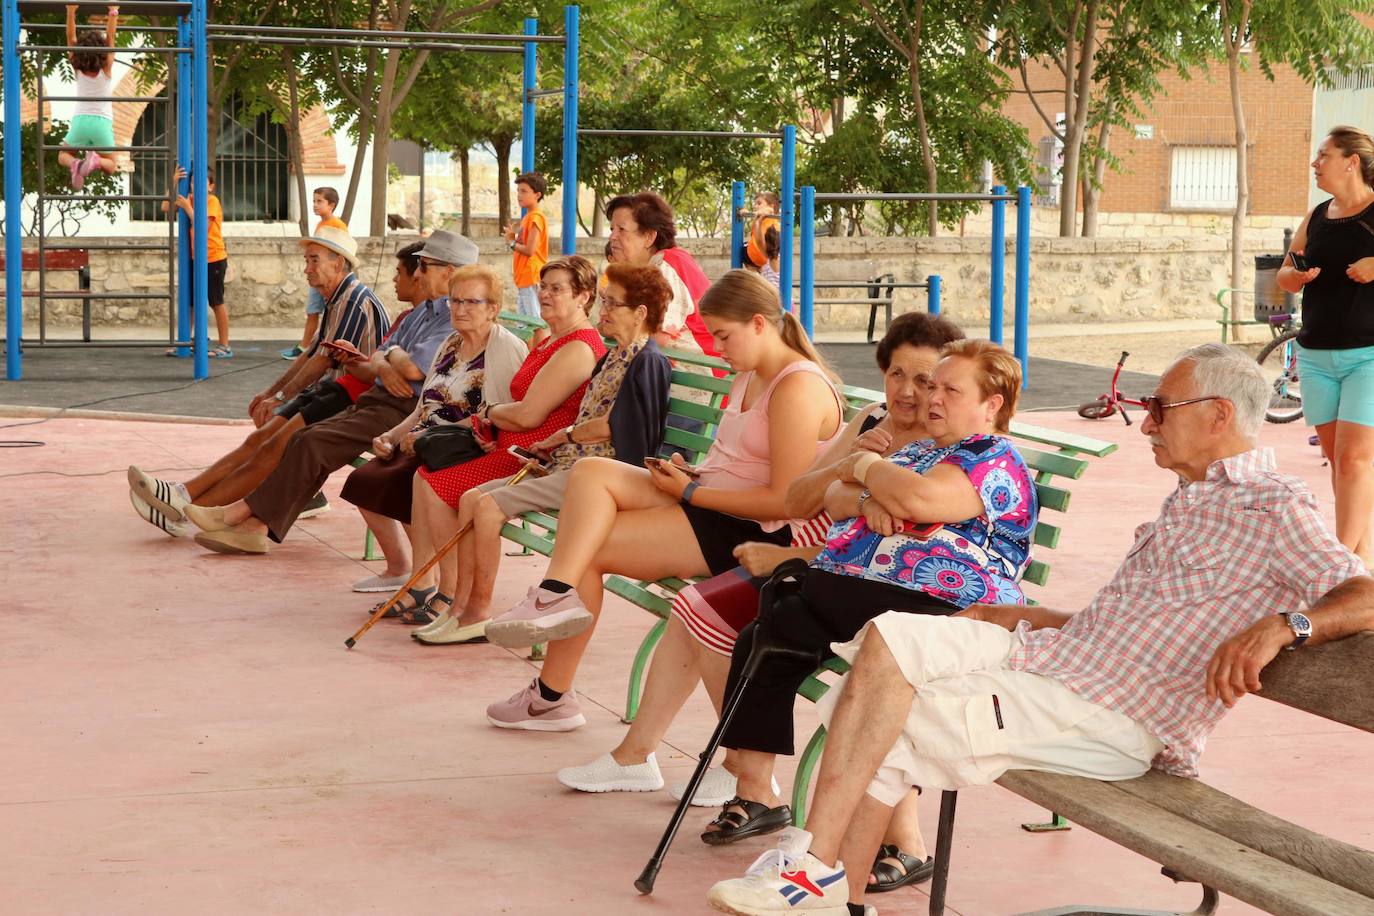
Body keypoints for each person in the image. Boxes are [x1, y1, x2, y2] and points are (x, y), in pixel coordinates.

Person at [705, 343, 1374, 916]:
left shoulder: (1274, 506)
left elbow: (1366, 591)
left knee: (894, 715)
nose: (1147, 424)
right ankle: (820, 876)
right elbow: (1153, 621)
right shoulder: (1194, 497)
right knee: (889, 638)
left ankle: (820, 879)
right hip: (1059, 658)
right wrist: (1042, 616)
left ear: (1219, 415)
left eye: (1160, 408)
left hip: (1115, 712)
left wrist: (1286, 626)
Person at [555, 312, 964, 892]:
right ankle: (736, 779)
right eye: (896, 374)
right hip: (829, 568)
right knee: (720, 618)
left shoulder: (942, 448)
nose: (907, 392)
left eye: (925, 381)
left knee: (742, 622)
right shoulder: (873, 421)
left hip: (878, 587)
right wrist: (850, 465)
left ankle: (861, 823)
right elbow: (800, 497)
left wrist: (834, 509)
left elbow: (899, 539)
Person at [700, 339, 1037, 851]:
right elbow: (832, 499)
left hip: (938, 610)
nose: (933, 398)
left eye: (950, 390)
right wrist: (865, 495)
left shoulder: (993, 457)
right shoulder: (922, 450)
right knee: (768, 634)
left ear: (991, 405)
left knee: (867, 670)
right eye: (933, 386)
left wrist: (863, 469)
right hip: (858, 594)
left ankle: (902, 843)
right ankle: (756, 795)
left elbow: (920, 499)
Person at [481, 269, 845, 732]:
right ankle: (554, 601)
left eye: (722, 336)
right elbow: (738, 463)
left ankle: (550, 692)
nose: (717, 347)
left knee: (586, 549)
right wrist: (690, 475)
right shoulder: (752, 372)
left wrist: (691, 491)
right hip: (712, 503)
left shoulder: (797, 387)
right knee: (590, 473)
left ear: (758, 324)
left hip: (751, 529)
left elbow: (786, 502)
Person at [408, 263, 674, 646]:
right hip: (569, 463)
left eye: (612, 303)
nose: (603, 310)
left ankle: (478, 612)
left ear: (640, 313)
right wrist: (554, 446)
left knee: (486, 507)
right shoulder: (615, 356)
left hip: (598, 476)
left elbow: (614, 426)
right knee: (471, 499)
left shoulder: (645, 360)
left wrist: (562, 436)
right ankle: (459, 608)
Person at [180, 231, 477, 557]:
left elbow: (410, 369)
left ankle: (230, 514)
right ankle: (245, 522)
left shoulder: (447, 316)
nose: (417, 273)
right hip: (374, 396)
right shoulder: (420, 311)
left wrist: (387, 359)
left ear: (449, 271)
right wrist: (387, 361)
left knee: (305, 442)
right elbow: (374, 357)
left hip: (406, 408)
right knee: (295, 439)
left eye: (424, 266)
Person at [128, 231, 400, 536]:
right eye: (306, 261)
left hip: (350, 399)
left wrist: (280, 396)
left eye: (314, 261)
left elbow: (322, 361)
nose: (307, 268)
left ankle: (186, 510)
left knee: (270, 448)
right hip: (334, 392)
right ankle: (183, 496)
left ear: (338, 263)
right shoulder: (337, 298)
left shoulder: (353, 299)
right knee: (258, 441)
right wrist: (272, 393)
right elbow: (311, 353)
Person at [339, 263, 528, 598]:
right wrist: (391, 436)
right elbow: (423, 406)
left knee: (408, 480)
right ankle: (415, 576)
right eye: (455, 301)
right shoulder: (451, 343)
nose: (460, 309)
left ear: (493, 308)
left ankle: (425, 582)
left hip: (464, 446)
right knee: (364, 480)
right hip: (426, 440)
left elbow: (494, 417)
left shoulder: (504, 348)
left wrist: (425, 437)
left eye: (472, 302)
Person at [1278, 125, 1374, 564]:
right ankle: (1363, 557)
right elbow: (1284, 275)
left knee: (1354, 459)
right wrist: (1295, 276)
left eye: (1324, 155)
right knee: (1341, 463)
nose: (1315, 163)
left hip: (1368, 356)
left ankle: (1340, 567)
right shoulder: (1317, 216)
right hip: (1315, 356)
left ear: (1351, 161)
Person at [605, 192, 717, 360]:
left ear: (649, 237)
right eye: (612, 229)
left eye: (622, 229)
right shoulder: (649, 268)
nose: (612, 237)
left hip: (702, 370)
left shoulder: (667, 265)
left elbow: (656, 336)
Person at [165, 166, 231, 357]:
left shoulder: (212, 201)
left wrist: (187, 208)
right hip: (196, 258)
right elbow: (166, 208)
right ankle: (186, 341)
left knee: (216, 301)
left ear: (211, 186)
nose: (196, 185)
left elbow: (203, 226)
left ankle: (224, 345)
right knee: (191, 302)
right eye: (194, 182)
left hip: (213, 257)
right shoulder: (190, 199)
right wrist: (173, 182)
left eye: (202, 182)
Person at [282, 187, 348, 359]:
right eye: (314, 201)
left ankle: (322, 345)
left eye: (320, 201)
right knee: (312, 310)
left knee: (330, 311)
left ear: (331, 205)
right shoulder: (321, 225)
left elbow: (341, 253)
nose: (315, 205)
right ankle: (305, 346)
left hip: (328, 278)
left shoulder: (338, 226)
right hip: (317, 275)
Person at [60, 4, 120, 189]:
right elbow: (111, 38)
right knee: (112, 165)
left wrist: (70, 11)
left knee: (63, 155)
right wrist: (113, 12)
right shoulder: (106, 68)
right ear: (102, 52)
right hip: (102, 123)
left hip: (81, 121)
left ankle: (75, 164)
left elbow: (71, 37)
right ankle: (96, 161)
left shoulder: (77, 68)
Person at [503, 172, 549, 319]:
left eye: (524, 191)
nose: (519, 195)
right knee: (524, 323)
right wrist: (513, 238)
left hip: (531, 275)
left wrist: (511, 242)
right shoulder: (528, 217)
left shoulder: (536, 217)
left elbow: (530, 250)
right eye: (518, 191)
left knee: (534, 321)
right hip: (524, 277)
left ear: (537, 195)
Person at [741, 192, 781, 276]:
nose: (755, 206)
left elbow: (769, 210)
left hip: (764, 253)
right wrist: (746, 213)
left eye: (759, 203)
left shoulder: (770, 215)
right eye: (755, 204)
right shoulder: (759, 219)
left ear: (771, 205)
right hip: (755, 256)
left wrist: (762, 212)